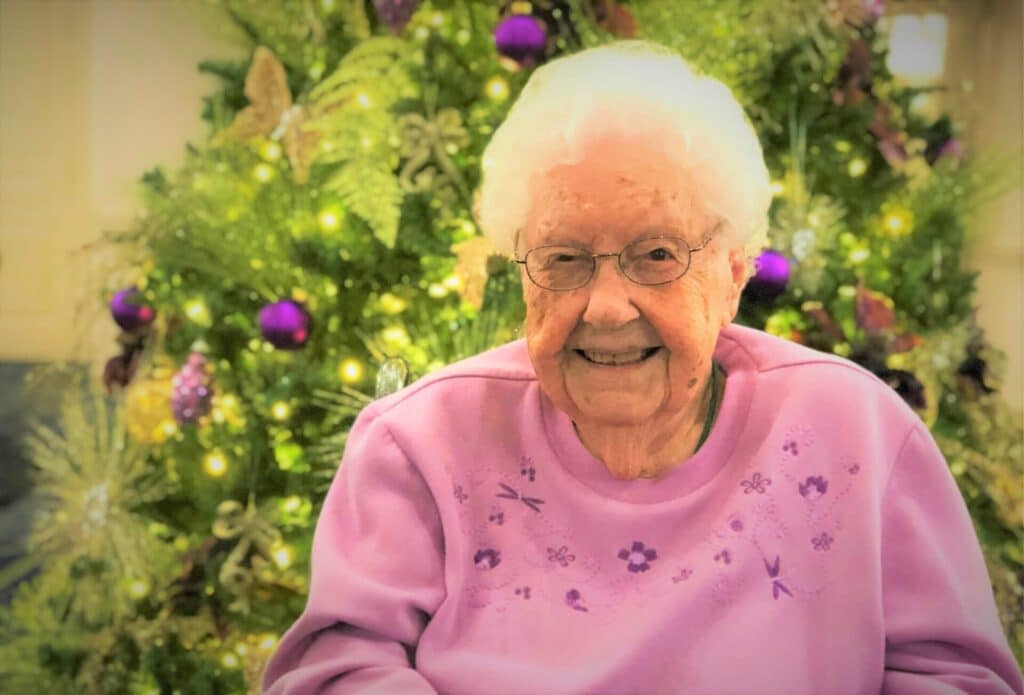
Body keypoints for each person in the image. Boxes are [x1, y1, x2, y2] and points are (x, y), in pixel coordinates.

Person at [263, 41, 1022, 694]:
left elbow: (952, 674)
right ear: (521, 271)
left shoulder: (856, 431)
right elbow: (338, 666)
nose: (605, 306)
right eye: (563, 258)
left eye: (655, 255)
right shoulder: (419, 445)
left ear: (733, 274)